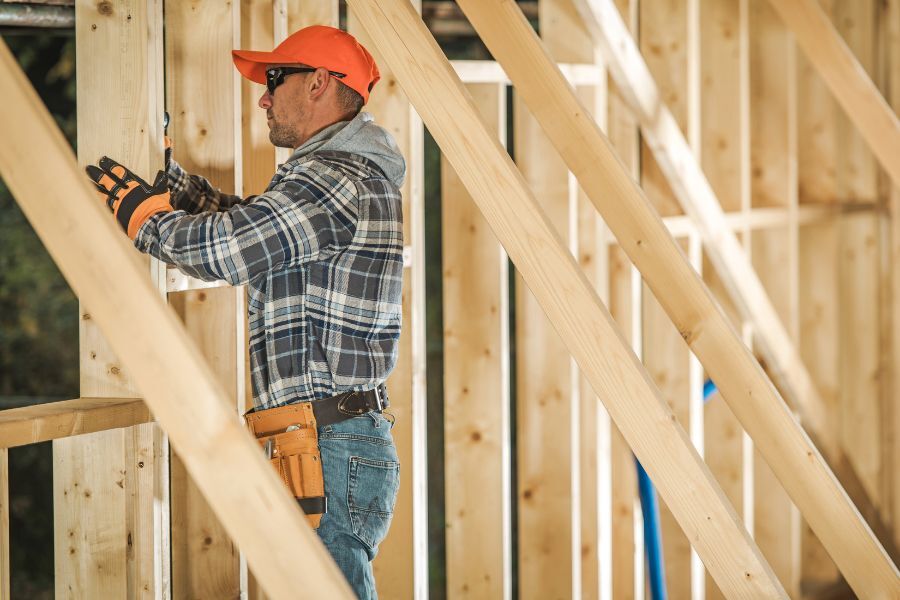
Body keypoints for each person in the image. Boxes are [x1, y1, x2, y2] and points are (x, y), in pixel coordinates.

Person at [85, 25, 405, 599]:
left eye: (274, 80)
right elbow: (261, 227)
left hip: (326, 444)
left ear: (319, 83)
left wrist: (147, 220)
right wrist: (177, 192)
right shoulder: (336, 180)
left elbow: (230, 249)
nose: (263, 96)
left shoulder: (336, 179)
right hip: (324, 438)